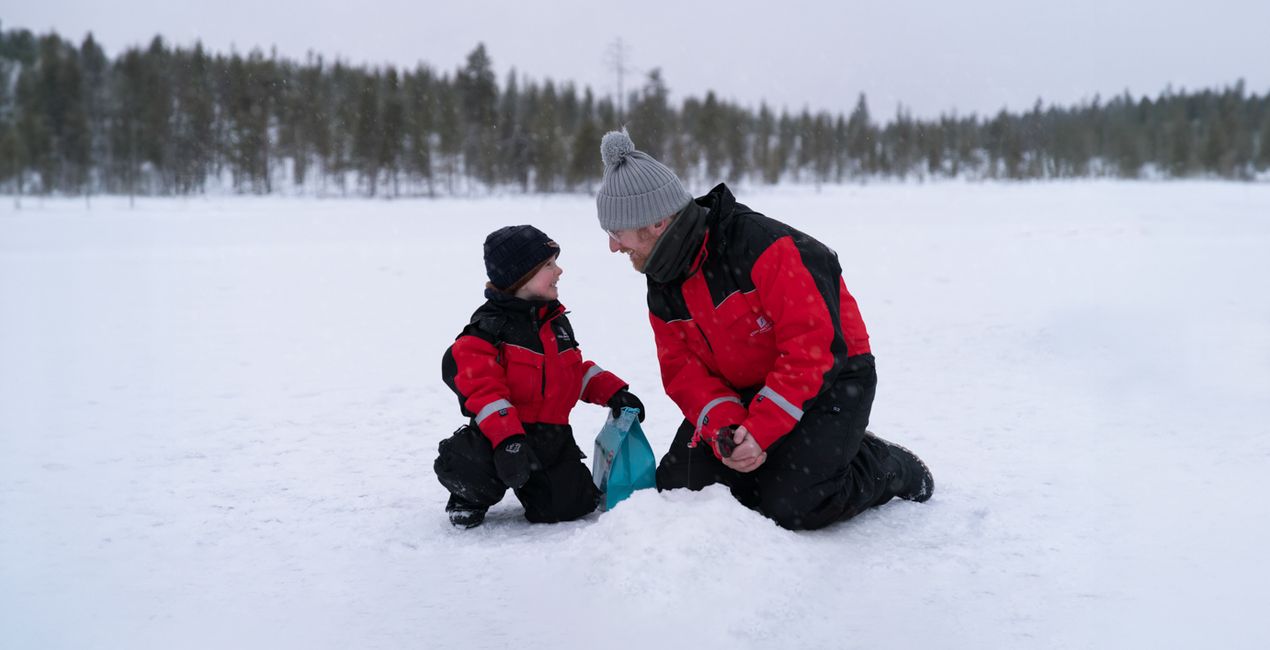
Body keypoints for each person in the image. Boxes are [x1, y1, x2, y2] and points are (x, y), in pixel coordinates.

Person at [594, 129, 933, 531]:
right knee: (684, 489)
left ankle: (881, 463)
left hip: (831, 377)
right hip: (743, 387)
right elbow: (682, 370)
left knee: (794, 504)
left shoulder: (764, 247)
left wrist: (762, 429)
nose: (614, 247)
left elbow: (812, 349)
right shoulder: (663, 278)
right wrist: (728, 427)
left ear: (656, 222)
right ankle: (795, 454)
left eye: (616, 233)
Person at [435, 225, 645, 528]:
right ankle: (468, 492)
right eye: (548, 264)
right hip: (501, 436)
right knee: (475, 467)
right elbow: (484, 391)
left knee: (570, 506)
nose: (559, 270)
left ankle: (539, 487)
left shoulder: (555, 322)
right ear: (521, 276)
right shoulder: (490, 329)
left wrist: (613, 392)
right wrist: (508, 439)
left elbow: (573, 372)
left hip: (550, 437)